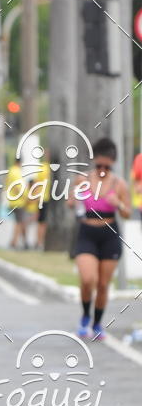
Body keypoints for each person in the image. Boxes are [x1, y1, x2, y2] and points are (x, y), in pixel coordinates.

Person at [69, 137, 131, 340]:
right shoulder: (83, 179)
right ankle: (85, 315)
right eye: (99, 165)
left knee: (103, 284)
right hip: (87, 233)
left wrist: (119, 204)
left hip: (109, 234)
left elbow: (127, 213)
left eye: (107, 166)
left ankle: (97, 323)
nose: (102, 169)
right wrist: (76, 198)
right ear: (94, 161)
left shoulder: (119, 184)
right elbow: (70, 203)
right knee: (88, 279)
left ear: (113, 164)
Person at [5, 157, 28, 249]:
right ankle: (13, 242)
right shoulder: (15, 172)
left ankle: (25, 242)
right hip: (18, 202)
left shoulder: (11, 171)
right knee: (19, 222)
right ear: (19, 162)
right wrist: (25, 197)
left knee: (22, 222)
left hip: (14, 201)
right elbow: (16, 187)